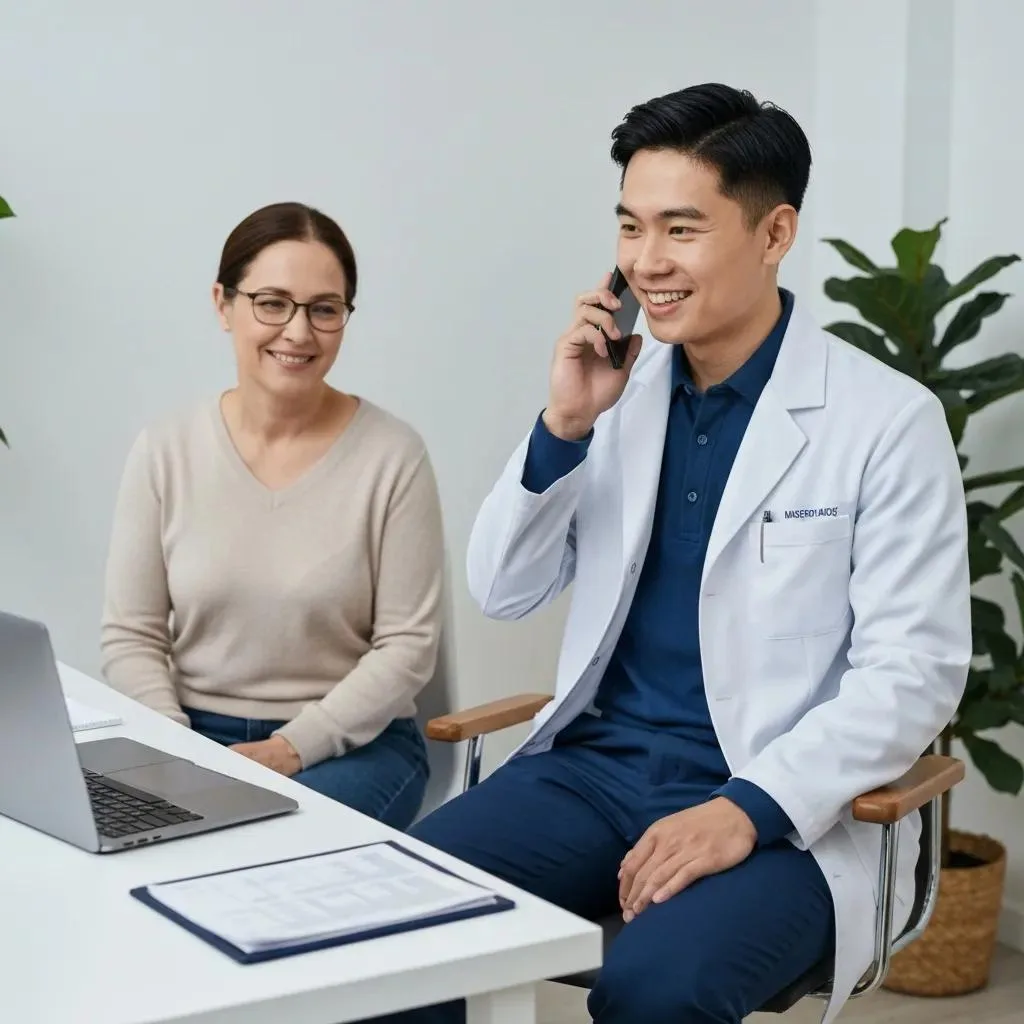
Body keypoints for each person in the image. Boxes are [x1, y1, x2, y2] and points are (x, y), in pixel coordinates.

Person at [383, 84, 971, 1023]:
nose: (645, 263)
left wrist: (748, 806)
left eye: (680, 231)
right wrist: (564, 424)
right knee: (395, 915)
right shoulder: (619, 395)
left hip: (782, 806)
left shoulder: (887, 421)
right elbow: (501, 586)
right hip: (589, 773)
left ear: (774, 235)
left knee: (657, 985)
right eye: (629, 228)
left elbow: (916, 673)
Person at [100, 202, 445, 831]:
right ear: (223, 304)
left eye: (324, 308)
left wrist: (289, 749)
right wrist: (179, 748)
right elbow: (131, 636)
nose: (298, 331)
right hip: (189, 731)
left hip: (354, 747)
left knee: (262, 846)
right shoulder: (165, 448)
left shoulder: (393, 455)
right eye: (272, 302)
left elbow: (407, 648)